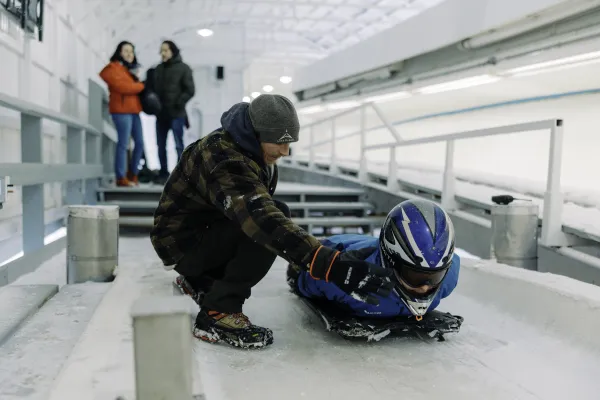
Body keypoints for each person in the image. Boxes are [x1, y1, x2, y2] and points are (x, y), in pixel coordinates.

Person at [150, 94, 393, 349]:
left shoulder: (246, 147)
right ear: (256, 133)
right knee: (267, 224)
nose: (285, 151)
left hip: (200, 234)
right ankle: (218, 313)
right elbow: (261, 219)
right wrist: (325, 262)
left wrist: (311, 256)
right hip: (182, 246)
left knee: (274, 217)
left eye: (289, 143)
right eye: (279, 142)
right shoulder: (224, 157)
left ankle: (201, 281)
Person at [287, 199, 460, 319]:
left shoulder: (449, 276)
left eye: (434, 277)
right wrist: (301, 280)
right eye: (415, 276)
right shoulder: (348, 282)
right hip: (338, 246)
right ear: (391, 263)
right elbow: (299, 273)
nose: (425, 287)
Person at [99, 41, 145, 187]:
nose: (129, 54)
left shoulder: (130, 71)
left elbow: (129, 87)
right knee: (123, 143)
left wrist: (136, 83)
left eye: (131, 51)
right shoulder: (112, 68)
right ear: (119, 52)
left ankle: (133, 174)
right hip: (121, 111)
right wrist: (141, 86)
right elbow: (123, 87)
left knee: (140, 143)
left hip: (134, 110)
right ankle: (121, 177)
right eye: (125, 51)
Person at [153, 40, 195, 184]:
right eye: (161, 51)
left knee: (178, 144)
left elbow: (190, 90)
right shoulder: (157, 69)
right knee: (160, 145)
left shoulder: (184, 68)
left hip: (177, 113)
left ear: (173, 51)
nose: (162, 53)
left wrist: (179, 102)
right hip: (161, 114)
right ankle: (163, 173)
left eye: (165, 50)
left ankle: (180, 174)